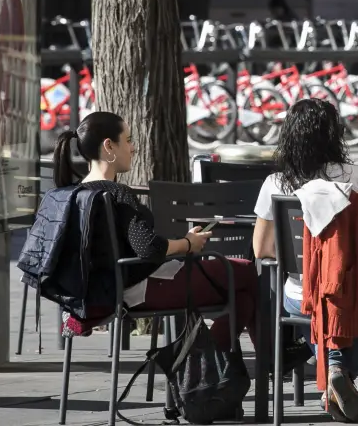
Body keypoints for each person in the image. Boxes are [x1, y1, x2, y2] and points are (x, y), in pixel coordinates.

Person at [53, 112, 310, 369]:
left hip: (106, 291)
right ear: (109, 146)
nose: (133, 148)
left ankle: (203, 368)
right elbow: (149, 248)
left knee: (243, 299)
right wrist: (188, 243)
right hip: (138, 287)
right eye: (128, 140)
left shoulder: (74, 195)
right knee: (247, 273)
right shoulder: (116, 194)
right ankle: (268, 357)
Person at [251, 99, 358, 421]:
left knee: (322, 303)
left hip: (301, 294)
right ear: (336, 134)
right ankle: (340, 374)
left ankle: (335, 373)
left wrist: (309, 262)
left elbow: (261, 249)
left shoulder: (276, 183)